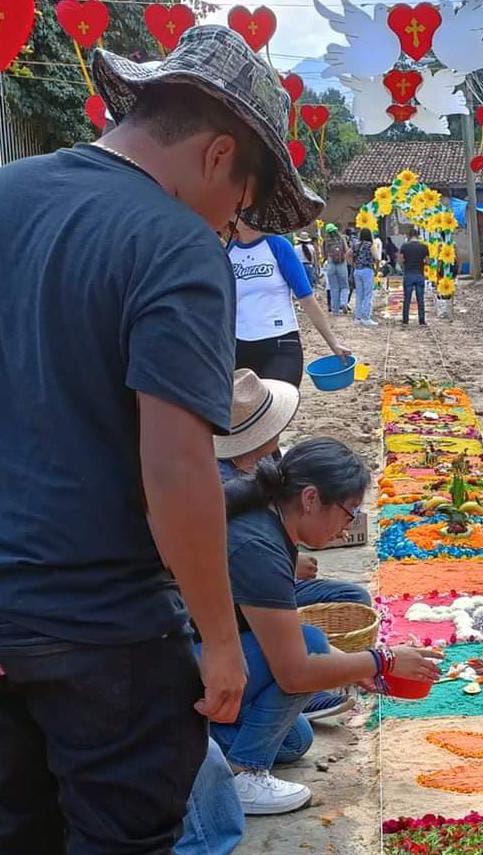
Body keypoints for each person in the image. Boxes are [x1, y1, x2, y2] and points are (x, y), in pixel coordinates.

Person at [0, 24, 322, 852]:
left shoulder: (8, 192)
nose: (232, 224)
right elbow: (176, 466)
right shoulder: (176, 243)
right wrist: (221, 640)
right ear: (220, 156)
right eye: (243, 205)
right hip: (107, 633)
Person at [210, 438, 442, 814]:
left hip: (219, 654)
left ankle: (201, 748)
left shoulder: (271, 522)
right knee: (310, 644)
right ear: (311, 498)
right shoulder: (257, 546)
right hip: (189, 667)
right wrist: (381, 660)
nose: (347, 526)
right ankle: (240, 775)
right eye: (349, 511)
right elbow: (296, 670)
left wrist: (354, 669)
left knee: (295, 741)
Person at [217, 369, 372, 615]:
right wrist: (385, 656)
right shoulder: (223, 482)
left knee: (353, 599)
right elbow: (292, 656)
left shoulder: (267, 461)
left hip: (271, 570)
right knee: (313, 641)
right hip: (233, 593)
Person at [230, 218, 349, 386]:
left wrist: (333, 343)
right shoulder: (228, 252)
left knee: (277, 407)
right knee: (247, 410)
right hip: (239, 347)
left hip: (280, 344)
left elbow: (307, 299)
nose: (246, 217)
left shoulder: (279, 246)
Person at [399, 226, 429, 326]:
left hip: (408, 274)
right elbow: (427, 261)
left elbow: (401, 260)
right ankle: (421, 320)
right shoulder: (424, 247)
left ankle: (405, 320)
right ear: (418, 236)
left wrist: (405, 266)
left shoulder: (404, 246)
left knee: (407, 298)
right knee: (420, 298)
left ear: (409, 236)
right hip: (419, 274)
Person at [351, 226, 379, 327]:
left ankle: (358, 317)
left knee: (359, 294)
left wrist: (354, 264)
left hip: (357, 270)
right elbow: (376, 258)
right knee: (368, 294)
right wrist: (377, 269)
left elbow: (349, 255)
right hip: (367, 270)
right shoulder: (371, 245)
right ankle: (366, 317)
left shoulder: (356, 245)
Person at [323, 223, 349, 315]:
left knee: (334, 288)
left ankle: (335, 310)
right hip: (341, 263)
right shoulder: (342, 238)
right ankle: (344, 303)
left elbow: (325, 254)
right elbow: (346, 250)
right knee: (344, 286)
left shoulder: (326, 241)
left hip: (331, 264)